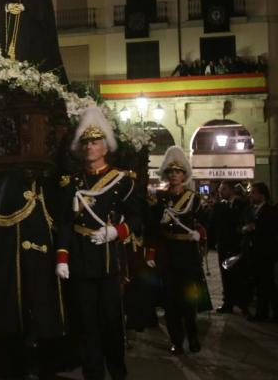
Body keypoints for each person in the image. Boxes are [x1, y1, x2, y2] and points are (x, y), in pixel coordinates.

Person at [54, 107, 140, 380]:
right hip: (80, 259)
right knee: (86, 324)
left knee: (111, 322)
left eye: (95, 142)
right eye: (86, 142)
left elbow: (139, 218)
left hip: (107, 259)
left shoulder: (122, 182)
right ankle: (93, 374)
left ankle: (117, 372)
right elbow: (65, 222)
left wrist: (118, 231)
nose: (90, 147)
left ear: (106, 146)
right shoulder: (73, 182)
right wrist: (62, 257)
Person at [149, 147, 205, 355]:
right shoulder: (160, 198)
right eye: (171, 172)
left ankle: (193, 338)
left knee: (188, 300)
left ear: (184, 175)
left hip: (188, 253)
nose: (174, 175)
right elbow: (152, 228)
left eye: (178, 172)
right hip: (168, 253)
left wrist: (200, 233)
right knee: (170, 300)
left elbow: (203, 223)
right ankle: (177, 341)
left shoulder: (194, 198)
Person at [243, 183, 278, 322]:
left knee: (267, 283)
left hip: (265, 252)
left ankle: (276, 313)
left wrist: (254, 228)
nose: (251, 195)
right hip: (254, 252)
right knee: (261, 284)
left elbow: (272, 229)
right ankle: (263, 312)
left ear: (262, 195)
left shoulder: (270, 210)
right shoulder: (252, 209)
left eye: (254, 192)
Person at [211, 181, 249, 314]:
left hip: (236, 246)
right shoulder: (219, 206)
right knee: (225, 275)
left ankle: (243, 303)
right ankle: (228, 302)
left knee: (238, 275)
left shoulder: (241, 204)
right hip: (223, 245)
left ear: (232, 190)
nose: (221, 192)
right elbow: (215, 224)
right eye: (220, 189)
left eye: (224, 189)